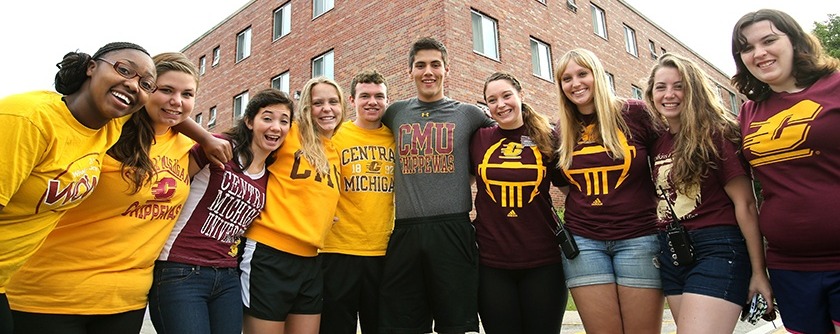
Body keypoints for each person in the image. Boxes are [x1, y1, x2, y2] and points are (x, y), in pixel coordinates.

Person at [5, 52, 204, 334]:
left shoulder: (189, 147)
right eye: (165, 89)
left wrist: (205, 136)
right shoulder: (108, 130)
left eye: (187, 94)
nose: (176, 100)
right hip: (49, 293)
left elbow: (178, 115)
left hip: (125, 302)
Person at [643, 52, 773, 333]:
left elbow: (746, 204)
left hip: (717, 248)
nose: (669, 94)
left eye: (679, 86)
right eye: (661, 87)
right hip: (672, 251)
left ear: (695, 90)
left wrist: (758, 270)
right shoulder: (658, 143)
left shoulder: (717, 133)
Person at [149, 88, 293, 334]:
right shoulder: (220, 148)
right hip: (181, 269)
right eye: (267, 118)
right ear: (249, 121)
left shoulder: (270, 177)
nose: (275, 127)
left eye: (284, 121)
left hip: (227, 276)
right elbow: (175, 183)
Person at [731, 8, 840, 333]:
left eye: (769, 40)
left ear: (794, 41)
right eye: (747, 48)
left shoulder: (834, 87)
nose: (759, 53)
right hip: (789, 266)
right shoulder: (749, 112)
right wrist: (759, 271)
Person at [378, 36, 494, 334]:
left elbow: (509, 128)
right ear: (410, 72)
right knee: (404, 323)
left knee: (454, 323)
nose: (428, 71)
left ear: (446, 69)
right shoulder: (394, 113)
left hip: (453, 230)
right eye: (420, 65)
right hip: (406, 230)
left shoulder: (470, 113)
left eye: (435, 65)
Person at [553, 48, 662, 333]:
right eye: (566, 78)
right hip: (584, 243)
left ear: (597, 75)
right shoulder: (560, 131)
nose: (575, 83)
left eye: (582, 74)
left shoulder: (634, 114)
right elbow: (565, 185)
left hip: (638, 237)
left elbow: (666, 158)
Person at [240, 77, 346, 334]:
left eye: (333, 102)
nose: (327, 108)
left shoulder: (334, 151)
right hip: (269, 255)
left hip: (311, 261)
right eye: (317, 103)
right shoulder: (289, 133)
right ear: (306, 109)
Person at [470, 72, 567, 334]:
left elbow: (569, 190)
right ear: (486, 106)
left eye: (506, 96)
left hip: (543, 260)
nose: (500, 104)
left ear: (520, 96)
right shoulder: (479, 139)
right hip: (492, 263)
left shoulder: (549, 137)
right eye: (492, 100)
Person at [319, 70, 394, 334]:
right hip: (338, 248)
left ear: (387, 100)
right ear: (352, 100)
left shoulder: (395, 137)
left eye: (379, 96)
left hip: (383, 250)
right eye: (365, 96)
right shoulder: (335, 136)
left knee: (381, 326)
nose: (372, 102)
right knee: (336, 327)